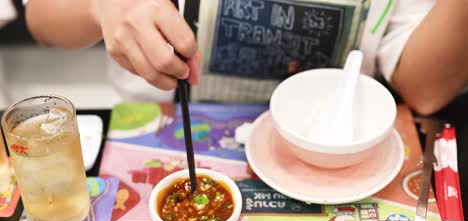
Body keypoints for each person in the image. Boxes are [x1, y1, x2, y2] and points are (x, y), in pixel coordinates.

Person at [24, 0, 468, 115]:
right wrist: (101, 6)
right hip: (159, 127)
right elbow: (42, 21)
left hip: (340, 142)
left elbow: (425, 90)